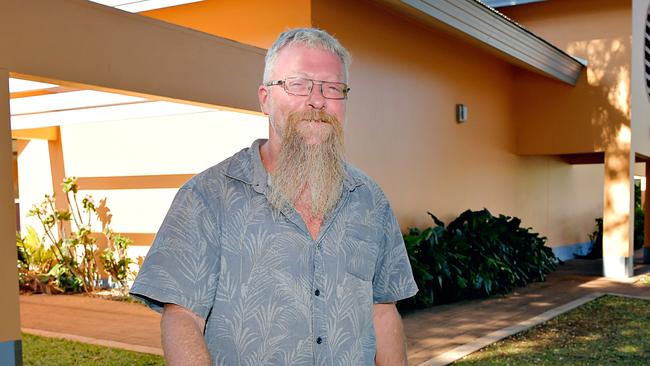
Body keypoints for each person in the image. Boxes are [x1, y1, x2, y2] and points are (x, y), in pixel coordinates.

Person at [130, 28, 418, 366]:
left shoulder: (370, 200)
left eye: (333, 88)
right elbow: (182, 319)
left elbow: (383, 312)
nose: (317, 100)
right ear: (265, 98)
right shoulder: (205, 199)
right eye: (299, 84)